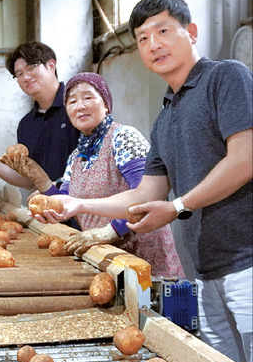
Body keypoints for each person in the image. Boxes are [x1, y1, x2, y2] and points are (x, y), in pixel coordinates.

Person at [34, 0, 252, 362]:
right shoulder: (165, 118)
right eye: (143, 39)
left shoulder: (225, 77)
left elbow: (245, 158)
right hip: (206, 270)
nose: (154, 44)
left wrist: (179, 206)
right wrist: (79, 205)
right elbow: (145, 193)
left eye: (163, 31)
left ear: (192, 32)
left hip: (247, 264)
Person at [16, 72, 184, 277]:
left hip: (144, 262)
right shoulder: (76, 157)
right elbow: (67, 205)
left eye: (88, 97)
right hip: (105, 262)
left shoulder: (123, 137)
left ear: (106, 104)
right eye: (72, 101)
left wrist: (108, 232)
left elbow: (147, 198)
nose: (80, 106)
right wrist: (40, 180)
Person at [0, 41, 80, 191]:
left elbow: (98, 165)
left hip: (85, 209)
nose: (26, 77)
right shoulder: (26, 125)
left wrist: (58, 186)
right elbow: (29, 180)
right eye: (19, 74)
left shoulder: (79, 108)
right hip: (46, 210)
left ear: (51, 66)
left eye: (31, 68)